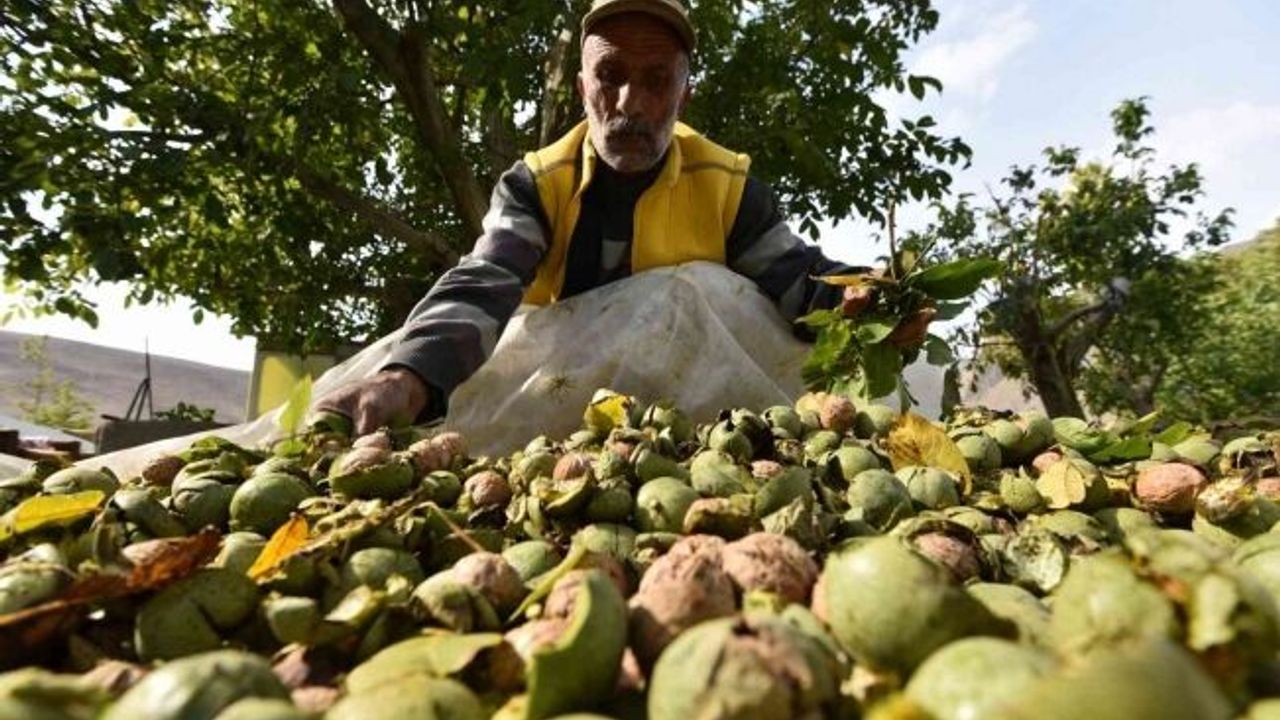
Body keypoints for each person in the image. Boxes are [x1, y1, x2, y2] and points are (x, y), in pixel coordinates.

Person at [314, 0, 854, 433]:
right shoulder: (538, 184)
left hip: (694, 422)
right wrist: (408, 377)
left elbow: (798, 279)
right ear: (581, 89)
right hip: (549, 408)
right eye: (610, 76)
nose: (631, 103)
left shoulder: (727, 187)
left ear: (684, 96)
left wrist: (866, 296)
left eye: (656, 81)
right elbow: (486, 279)